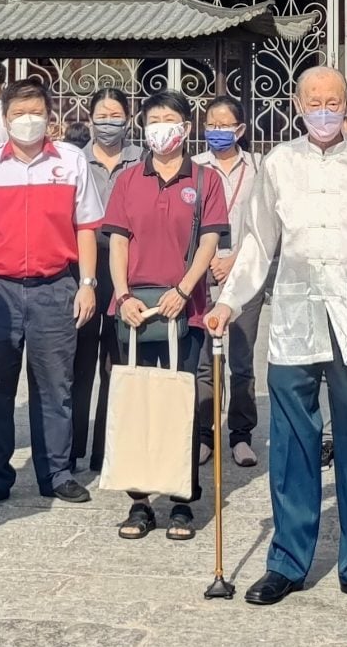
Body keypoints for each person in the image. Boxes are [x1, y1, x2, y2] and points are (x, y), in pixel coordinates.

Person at [204, 67, 347, 610]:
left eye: (333, 100)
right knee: (292, 443)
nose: (324, 109)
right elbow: (257, 242)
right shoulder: (278, 164)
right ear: (297, 104)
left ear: (346, 104)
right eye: (314, 100)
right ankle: (288, 561)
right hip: (295, 316)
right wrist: (228, 302)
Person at [0, 79, 102, 509]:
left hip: (56, 288)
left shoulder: (72, 162)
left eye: (35, 112)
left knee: (55, 387)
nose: (28, 121)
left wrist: (89, 284)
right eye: (19, 113)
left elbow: (87, 228)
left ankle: (56, 472)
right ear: (4, 120)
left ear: (50, 116)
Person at [101, 90, 227, 542]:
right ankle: (138, 501)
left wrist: (184, 289)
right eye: (154, 119)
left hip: (183, 308)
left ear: (186, 128)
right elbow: (117, 240)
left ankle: (180, 499)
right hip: (134, 308)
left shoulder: (205, 180)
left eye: (170, 119)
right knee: (138, 401)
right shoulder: (130, 179)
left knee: (180, 402)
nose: (161, 127)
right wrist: (122, 293)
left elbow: (211, 241)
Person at [73, 87, 139, 476]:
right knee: (78, 365)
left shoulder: (140, 161)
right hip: (84, 269)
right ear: (90, 117)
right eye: (102, 115)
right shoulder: (74, 161)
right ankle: (72, 449)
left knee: (115, 365)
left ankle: (106, 450)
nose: (108, 122)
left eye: (115, 115)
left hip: (124, 271)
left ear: (127, 119)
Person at [199, 97, 262, 468]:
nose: (217, 131)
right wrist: (210, 262)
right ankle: (204, 434)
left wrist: (235, 257)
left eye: (225, 125)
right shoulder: (195, 168)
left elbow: (267, 223)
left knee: (241, 358)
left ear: (240, 129)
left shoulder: (259, 167)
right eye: (211, 123)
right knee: (206, 362)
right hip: (203, 276)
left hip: (244, 274)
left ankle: (241, 434)